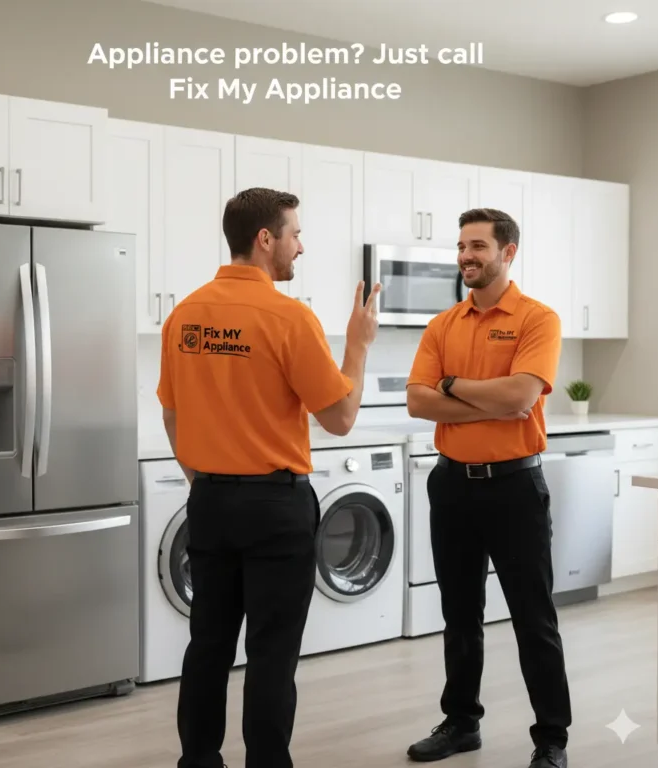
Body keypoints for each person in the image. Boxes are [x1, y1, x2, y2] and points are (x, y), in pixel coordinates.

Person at [156, 186, 381, 768]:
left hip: (208, 502)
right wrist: (356, 346)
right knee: (272, 653)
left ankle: (198, 760)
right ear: (265, 239)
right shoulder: (289, 317)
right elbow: (341, 417)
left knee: (206, 645)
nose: (300, 246)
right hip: (275, 510)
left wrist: (202, 482)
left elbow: (171, 412)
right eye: (295, 233)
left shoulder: (185, 314)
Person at [404, 208, 571, 768]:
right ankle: (461, 722)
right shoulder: (442, 325)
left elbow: (521, 397)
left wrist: (453, 388)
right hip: (451, 485)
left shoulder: (536, 319)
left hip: (515, 488)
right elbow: (417, 401)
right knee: (459, 613)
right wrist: (484, 398)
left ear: (508, 252)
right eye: (461, 247)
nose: (466, 256)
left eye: (478, 245)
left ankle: (551, 739)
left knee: (533, 615)